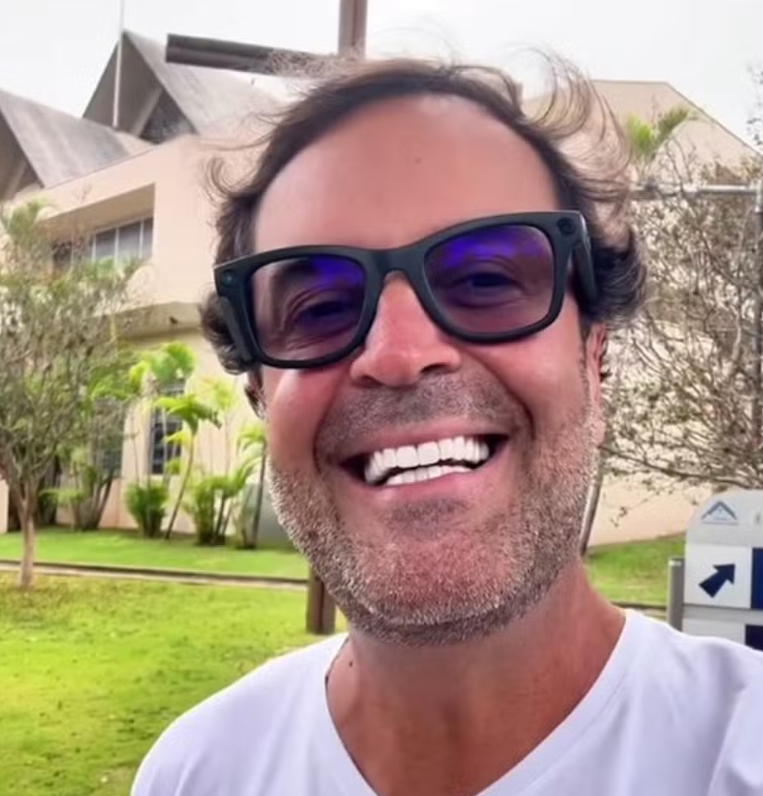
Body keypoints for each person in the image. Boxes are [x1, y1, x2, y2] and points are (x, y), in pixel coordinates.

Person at [132, 57, 763, 796]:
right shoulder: (197, 773)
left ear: (593, 357)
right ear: (261, 397)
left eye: (485, 280)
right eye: (321, 308)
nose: (399, 355)